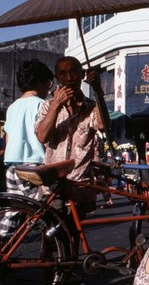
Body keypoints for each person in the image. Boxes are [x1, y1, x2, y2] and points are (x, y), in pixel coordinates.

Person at [35, 56, 104, 214]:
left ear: (82, 75)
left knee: (75, 235)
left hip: (80, 185)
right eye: (63, 73)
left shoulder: (91, 106)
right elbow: (42, 137)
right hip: (53, 187)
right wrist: (56, 105)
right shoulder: (48, 106)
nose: (69, 78)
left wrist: (98, 91)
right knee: (52, 236)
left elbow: (103, 125)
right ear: (57, 77)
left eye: (74, 72)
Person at [3, 60, 54, 202]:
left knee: (15, 210)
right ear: (40, 82)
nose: (49, 89)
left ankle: (3, 226)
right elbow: (45, 135)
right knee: (40, 210)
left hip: (12, 165)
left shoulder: (12, 107)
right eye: (49, 83)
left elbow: (8, 136)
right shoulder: (42, 105)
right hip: (34, 165)